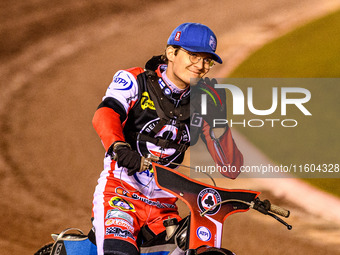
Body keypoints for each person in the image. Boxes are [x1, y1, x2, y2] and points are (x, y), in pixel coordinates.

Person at [92, 22, 243, 255]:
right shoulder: (134, 80)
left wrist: (218, 120)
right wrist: (119, 147)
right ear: (171, 52)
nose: (200, 66)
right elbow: (106, 114)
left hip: (164, 208)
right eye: (193, 55)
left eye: (207, 60)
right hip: (120, 194)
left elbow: (230, 167)